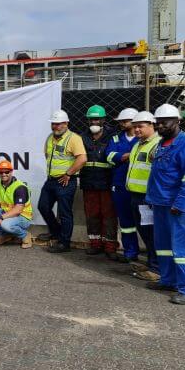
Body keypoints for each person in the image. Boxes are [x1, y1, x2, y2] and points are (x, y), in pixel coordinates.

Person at [146, 104, 185, 304]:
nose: (160, 126)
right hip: (160, 203)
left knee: (181, 250)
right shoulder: (160, 143)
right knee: (162, 246)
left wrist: (180, 203)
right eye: (158, 123)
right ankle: (168, 279)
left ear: (177, 121)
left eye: (165, 122)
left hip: (176, 206)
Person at [37, 109, 87, 253]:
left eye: (59, 124)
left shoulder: (74, 138)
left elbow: (82, 158)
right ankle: (56, 232)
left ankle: (64, 243)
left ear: (66, 123)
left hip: (65, 181)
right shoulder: (49, 138)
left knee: (65, 213)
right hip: (51, 180)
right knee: (43, 207)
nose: (56, 127)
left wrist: (68, 174)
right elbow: (47, 155)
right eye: (54, 124)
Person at [126, 111, 161, 281]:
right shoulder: (139, 144)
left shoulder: (157, 144)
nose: (137, 129)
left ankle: (156, 269)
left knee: (152, 233)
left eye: (141, 126)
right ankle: (151, 262)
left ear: (151, 125)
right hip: (136, 196)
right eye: (135, 126)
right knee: (144, 232)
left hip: (147, 198)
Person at [80, 105, 118, 258]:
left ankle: (110, 246)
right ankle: (95, 244)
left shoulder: (112, 136)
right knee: (92, 214)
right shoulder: (82, 137)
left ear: (103, 119)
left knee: (109, 215)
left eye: (97, 119)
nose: (94, 121)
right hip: (89, 182)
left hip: (107, 182)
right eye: (91, 119)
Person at [105, 108, 140, 262]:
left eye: (124, 121)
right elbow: (109, 156)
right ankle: (130, 252)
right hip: (119, 185)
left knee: (145, 223)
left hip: (139, 188)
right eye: (120, 121)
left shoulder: (143, 139)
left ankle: (153, 256)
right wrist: (125, 156)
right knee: (126, 223)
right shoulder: (116, 139)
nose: (121, 123)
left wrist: (122, 157)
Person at [0, 160, 33, 248]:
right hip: (7, 213)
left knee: (5, 224)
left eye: (7, 172)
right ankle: (4, 236)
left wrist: (0, 218)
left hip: (23, 217)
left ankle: (25, 235)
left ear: (11, 172)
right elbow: (2, 199)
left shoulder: (20, 187)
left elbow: (18, 210)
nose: (4, 174)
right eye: (1, 172)